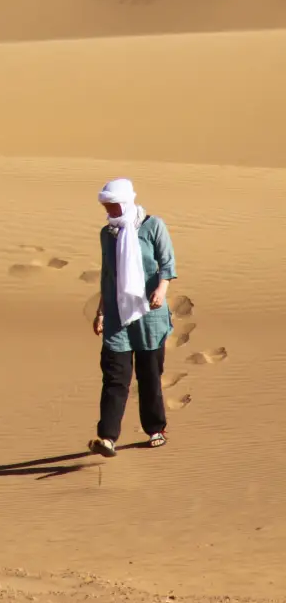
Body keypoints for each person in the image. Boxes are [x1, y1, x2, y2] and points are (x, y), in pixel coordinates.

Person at [89, 177, 176, 457]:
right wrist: (101, 311)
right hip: (117, 315)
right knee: (115, 377)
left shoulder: (153, 226)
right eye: (107, 206)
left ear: (126, 201)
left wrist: (162, 289)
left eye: (114, 205)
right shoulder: (107, 234)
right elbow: (108, 277)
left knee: (150, 375)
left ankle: (155, 429)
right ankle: (107, 438)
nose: (110, 211)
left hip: (150, 315)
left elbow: (167, 263)